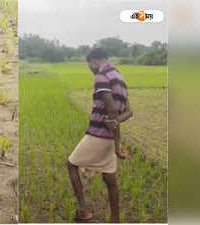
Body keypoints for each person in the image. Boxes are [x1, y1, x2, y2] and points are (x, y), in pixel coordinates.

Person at [67, 48, 133, 223]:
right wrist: (117, 133)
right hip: (110, 138)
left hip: (99, 135)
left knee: (71, 164)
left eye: (89, 65)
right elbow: (129, 112)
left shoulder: (101, 76)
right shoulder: (120, 78)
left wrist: (118, 142)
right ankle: (115, 219)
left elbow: (111, 111)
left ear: (94, 61)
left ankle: (84, 211)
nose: (90, 69)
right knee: (109, 179)